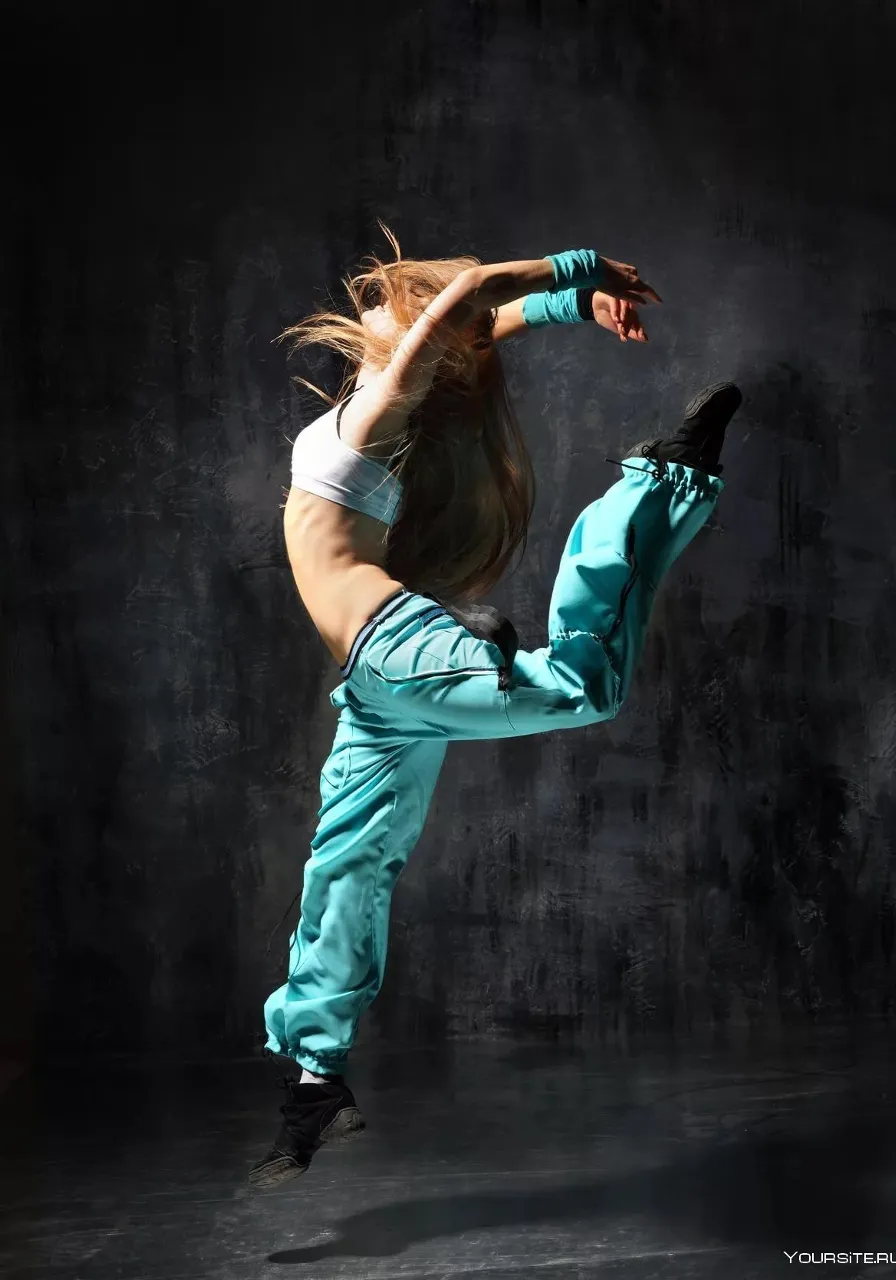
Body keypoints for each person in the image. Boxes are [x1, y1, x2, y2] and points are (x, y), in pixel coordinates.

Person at [250, 231, 741, 1188]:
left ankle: (654, 485)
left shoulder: (383, 412)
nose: (390, 303)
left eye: (412, 301)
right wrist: (563, 304)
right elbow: (481, 319)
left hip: (393, 650)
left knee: (583, 688)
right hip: (378, 687)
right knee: (349, 864)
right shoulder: (377, 399)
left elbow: (468, 306)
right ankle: (314, 1078)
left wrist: (578, 270)